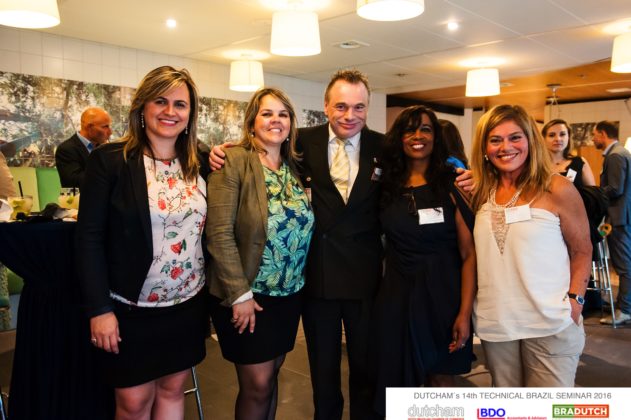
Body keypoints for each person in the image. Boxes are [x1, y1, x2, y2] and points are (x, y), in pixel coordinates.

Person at [209, 70, 474, 420]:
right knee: (322, 371)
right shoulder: (300, 142)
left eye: (359, 107)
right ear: (326, 106)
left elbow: (424, 161)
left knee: (366, 368)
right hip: (317, 278)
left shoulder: (385, 147)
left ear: (368, 108)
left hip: (367, 280)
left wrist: (461, 173)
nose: (350, 115)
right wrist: (217, 152)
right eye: (341, 106)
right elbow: (260, 150)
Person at [76, 66, 209, 419]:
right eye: (160, 101)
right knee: (133, 403)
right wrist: (99, 310)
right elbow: (88, 239)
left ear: (190, 113)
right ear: (142, 106)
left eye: (180, 104)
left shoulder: (201, 161)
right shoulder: (110, 160)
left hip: (186, 304)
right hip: (130, 309)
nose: (170, 111)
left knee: (173, 391)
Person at [206, 87, 314, 420]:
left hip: (288, 294)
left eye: (283, 114)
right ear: (252, 121)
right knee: (257, 384)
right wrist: (239, 294)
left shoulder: (294, 166)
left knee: (272, 376)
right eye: (267, 113)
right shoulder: (234, 160)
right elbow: (218, 233)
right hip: (249, 295)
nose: (275, 120)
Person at [470, 104, 592, 387]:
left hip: (550, 322)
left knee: (547, 406)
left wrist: (575, 302)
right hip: (497, 325)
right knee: (509, 405)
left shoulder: (557, 188)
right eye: (495, 140)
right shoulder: (479, 191)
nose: (506, 147)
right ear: (484, 148)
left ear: (530, 140)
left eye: (515, 137)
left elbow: (582, 250)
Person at [373, 106, 475, 414]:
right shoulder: (386, 185)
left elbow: (469, 255)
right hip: (396, 296)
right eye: (410, 129)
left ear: (436, 136)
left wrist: (464, 313)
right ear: (399, 137)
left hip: (443, 295)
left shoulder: (453, 183)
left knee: (441, 378)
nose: (417, 136)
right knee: (395, 380)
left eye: (426, 129)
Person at [592, 121, 631, 325]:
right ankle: (625, 305)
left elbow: (615, 188)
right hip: (622, 217)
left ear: (603, 134)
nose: (593, 139)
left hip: (619, 218)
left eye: (594, 135)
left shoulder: (615, 155)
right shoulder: (621, 152)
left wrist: (592, 194)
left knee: (624, 266)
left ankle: (625, 310)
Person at [55, 107, 112, 188]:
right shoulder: (67, 149)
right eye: (105, 127)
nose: (110, 132)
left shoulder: (103, 148)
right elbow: (72, 182)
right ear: (89, 127)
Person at [541, 119, 595, 187]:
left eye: (562, 134)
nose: (558, 139)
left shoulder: (579, 162)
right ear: (544, 139)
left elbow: (592, 192)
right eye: (551, 135)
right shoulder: (537, 165)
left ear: (568, 137)